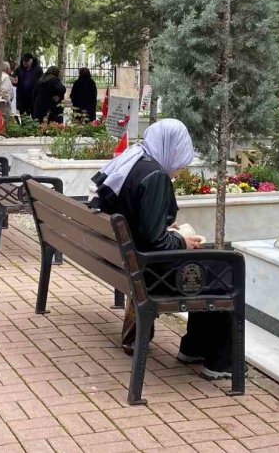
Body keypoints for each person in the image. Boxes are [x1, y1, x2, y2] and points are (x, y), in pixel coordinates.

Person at [88, 119, 232, 380]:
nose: (180, 167)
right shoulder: (154, 175)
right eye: (180, 159)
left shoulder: (133, 161)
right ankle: (219, 362)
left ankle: (194, 348)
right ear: (171, 149)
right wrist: (181, 240)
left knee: (209, 266)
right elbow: (156, 243)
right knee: (225, 273)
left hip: (123, 262)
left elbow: (137, 218)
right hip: (150, 272)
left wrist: (166, 228)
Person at [12, 53, 43, 117]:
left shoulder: (38, 70)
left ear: (31, 61)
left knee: (35, 119)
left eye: (27, 61)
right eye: (24, 61)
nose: (25, 62)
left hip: (34, 99)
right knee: (24, 119)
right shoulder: (18, 70)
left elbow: (42, 83)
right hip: (22, 99)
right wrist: (14, 82)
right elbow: (14, 82)